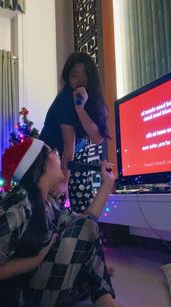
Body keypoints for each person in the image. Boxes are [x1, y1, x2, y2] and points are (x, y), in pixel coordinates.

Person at [0, 138, 137, 307]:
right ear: (42, 165)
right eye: (54, 152)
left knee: (84, 226)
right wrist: (33, 261)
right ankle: (103, 303)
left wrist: (107, 184)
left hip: (36, 287)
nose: (59, 157)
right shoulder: (16, 207)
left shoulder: (47, 203)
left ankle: (105, 303)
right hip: (18, 303)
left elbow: (85, 224)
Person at [39, 51, 111, 214]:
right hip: (50, 157)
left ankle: (83, 233)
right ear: (67, 77)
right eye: (74, 75)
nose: (80, 80)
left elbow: (98, 138)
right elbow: (67, 145)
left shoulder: (91, 97)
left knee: (82, 199)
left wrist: (80, 108)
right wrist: (64, 180)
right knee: (54, 203)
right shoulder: (65, 100)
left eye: (85, 74)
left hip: (71, 155)